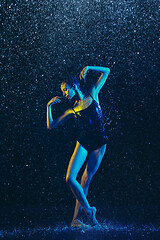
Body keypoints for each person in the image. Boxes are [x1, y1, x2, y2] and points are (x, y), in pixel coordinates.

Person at [47, 66, 110, 227]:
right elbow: (51, 126)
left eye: (65, 90)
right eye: (63, 91)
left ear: (74, 86)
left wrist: (89, 67)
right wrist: (48, 107)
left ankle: (77, 219)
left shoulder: (92, 93)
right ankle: (89, 210)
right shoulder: (72, 110)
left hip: (99, 143)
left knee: (85, 181)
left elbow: (107, 71)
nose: (64, 93)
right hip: (83, 142)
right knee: (70, 178)